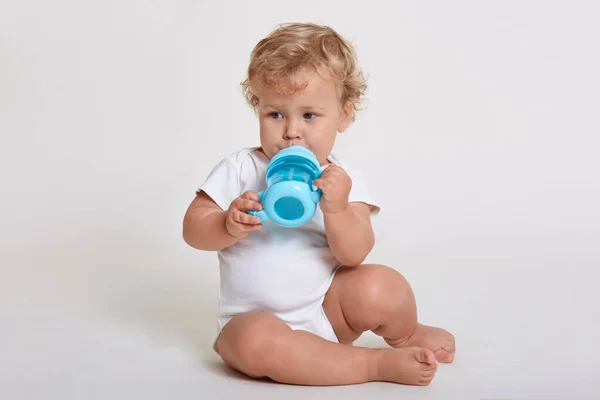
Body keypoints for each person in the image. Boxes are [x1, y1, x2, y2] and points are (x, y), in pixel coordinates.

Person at [183, 22, 455, 386]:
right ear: (257, 108)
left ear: (344, 115)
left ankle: (405, 335)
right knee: (251, 340)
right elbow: (192, 230)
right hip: (253, 322)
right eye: (275, 114)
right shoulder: (241, 168)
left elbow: (355, 254)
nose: (292, 131)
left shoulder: (342, 180)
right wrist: (224, 224)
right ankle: (372, 365)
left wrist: (337, 210)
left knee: (383, 286)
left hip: (327, 313)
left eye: (309, 115)